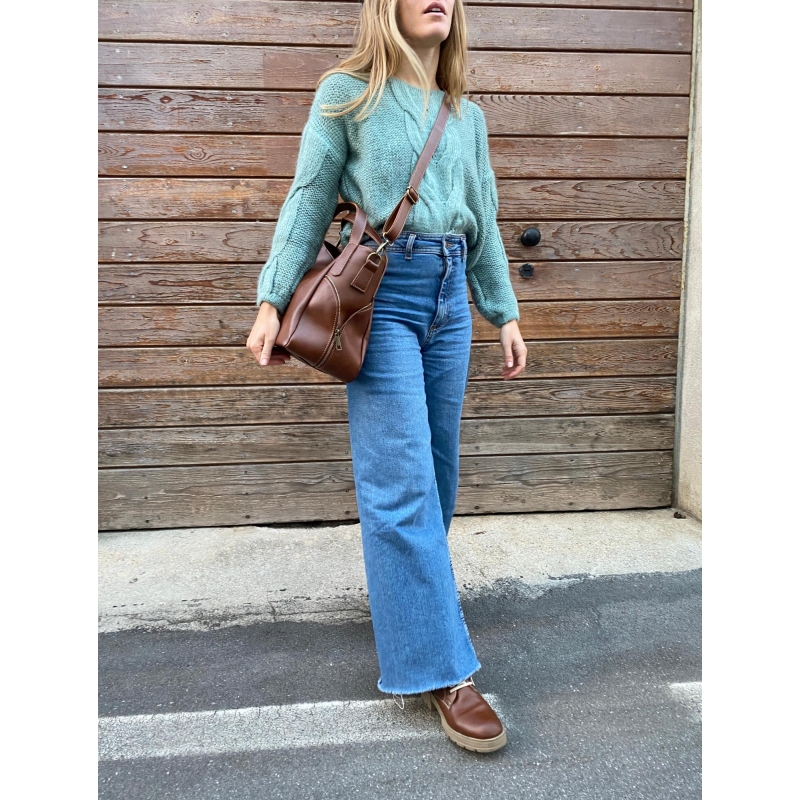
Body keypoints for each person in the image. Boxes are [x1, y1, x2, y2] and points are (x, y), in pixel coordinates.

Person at [246, 0, 526, 753]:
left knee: (436, 471)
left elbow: (485, 217)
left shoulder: (465, 115)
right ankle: (445, 670)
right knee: (400, 480)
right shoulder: (348, 93)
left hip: (451, 296)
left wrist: (503, 312)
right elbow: (310, 196)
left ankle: (414, 609)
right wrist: (273, 297)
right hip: (382, 297)